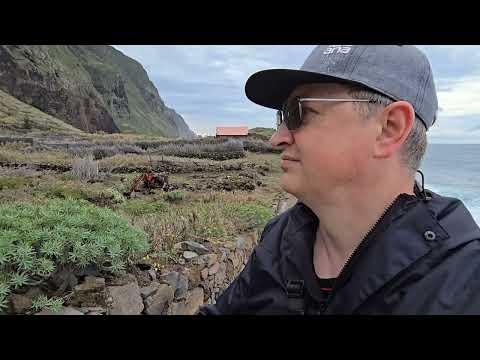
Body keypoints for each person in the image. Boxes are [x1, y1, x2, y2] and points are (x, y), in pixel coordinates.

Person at [199, 45, 480, 315]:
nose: (277, 138)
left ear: (389, 129)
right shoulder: (282, 237)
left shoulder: (464, 280)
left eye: (299, 112)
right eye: (282, 116)